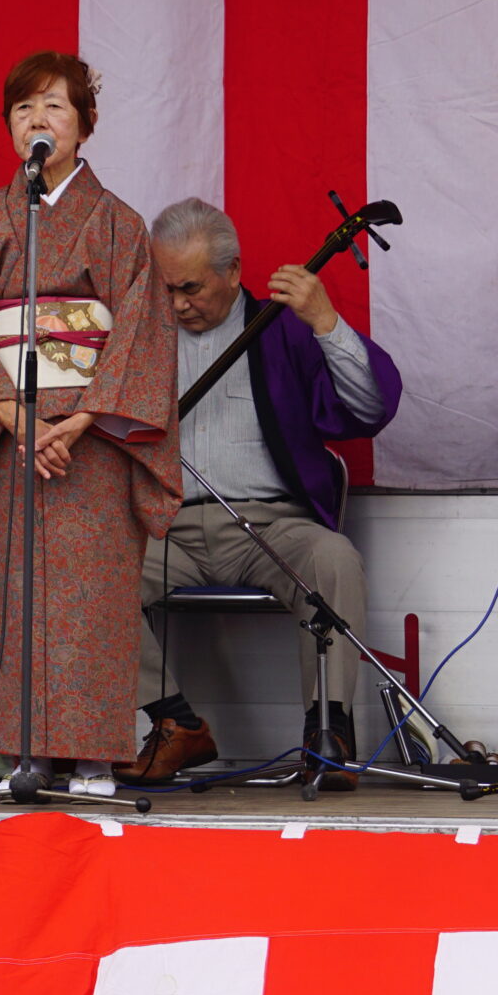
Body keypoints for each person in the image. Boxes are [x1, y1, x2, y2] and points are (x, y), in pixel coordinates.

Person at [0, 53, 180, 779]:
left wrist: (80, 421)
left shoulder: (120, 226)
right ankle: (24, 753)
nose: (37, 121)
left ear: (84, 126)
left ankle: (95, 755)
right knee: (17, 600)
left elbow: (140, 339)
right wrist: (21, 422)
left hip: (92, 443)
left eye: (54, 108)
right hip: (13, 439)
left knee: (93, 605)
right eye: (23, 110)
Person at [122, 198, 404, 789]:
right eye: (166, 288)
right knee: (77, 571)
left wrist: (324, 321)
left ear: (233, 270)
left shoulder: (279, 330)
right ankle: (176, 725)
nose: (177, 304)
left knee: (333, 559)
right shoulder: (139, 337)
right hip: (165, 525)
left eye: (192, 288)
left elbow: (370, 408)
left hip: (270, 526)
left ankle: (328, 732)